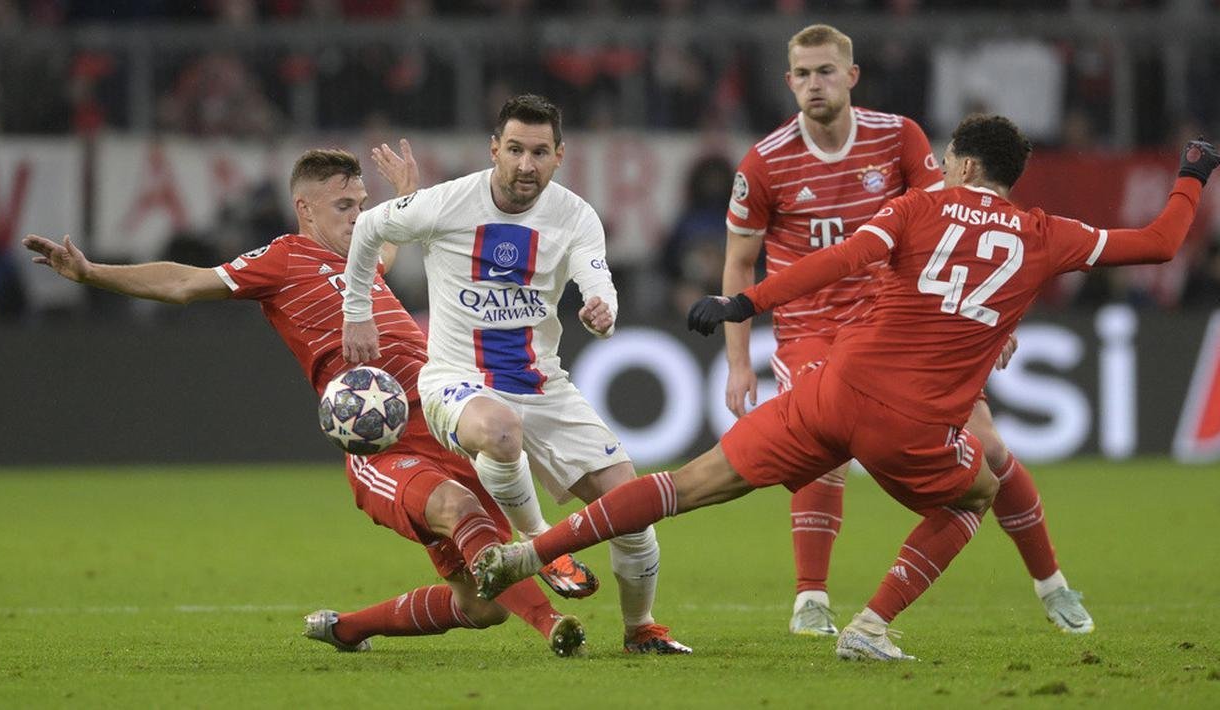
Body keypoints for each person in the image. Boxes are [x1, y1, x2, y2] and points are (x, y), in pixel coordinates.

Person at [472, 117, 1220, 662]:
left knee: (684, 484)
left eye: (946, 161)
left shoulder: (917, 207)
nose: (941, 168)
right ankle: (871, 625)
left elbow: (839, 262)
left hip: (832, 391)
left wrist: (745, 303)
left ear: (961, 164)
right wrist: (1192, 173)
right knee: (975, 493)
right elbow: (1160, 244)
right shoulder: (1045, 233)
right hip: (913, 426)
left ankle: (534, 552)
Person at [22, 148, 589, 658]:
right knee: (458, 509)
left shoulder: (362, 259)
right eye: (344, 206)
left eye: (361, 204)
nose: (358, 216)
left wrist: (405, 197)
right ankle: (552, 621)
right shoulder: (284, 259)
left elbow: (387, 249)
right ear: (306, 209)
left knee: (481, 606)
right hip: (383, 442)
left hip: (441, 417)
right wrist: (92, 272)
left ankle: (349, 628)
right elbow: (185, 283)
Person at [723, 24, 1091, 636]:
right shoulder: (764, 162)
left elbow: (959, 228)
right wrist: (739, 361)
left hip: (900, 324)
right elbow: (739, 264)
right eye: (803, 74)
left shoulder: (899, 137)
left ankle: (1052, 584)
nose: (815, 84)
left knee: (989, 447)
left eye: (825, 71)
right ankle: (811, 599)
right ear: (788, 82)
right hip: (813, 328)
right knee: (824, 452)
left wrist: (991, 321)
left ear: (851, 76)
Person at [340, 94, 691, 654]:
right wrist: (356, 311)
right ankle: (538, 544)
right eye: (515, 150)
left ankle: (640, 629)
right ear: (494, 150)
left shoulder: (575, 216)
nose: (526, 164)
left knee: (632, 509)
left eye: (539, 152)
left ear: (559, 156)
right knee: (501, 431)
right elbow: (368, 228)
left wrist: (602, 309)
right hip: (459, 379)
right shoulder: (447, 203)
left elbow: (596, 277)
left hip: (543, 384)